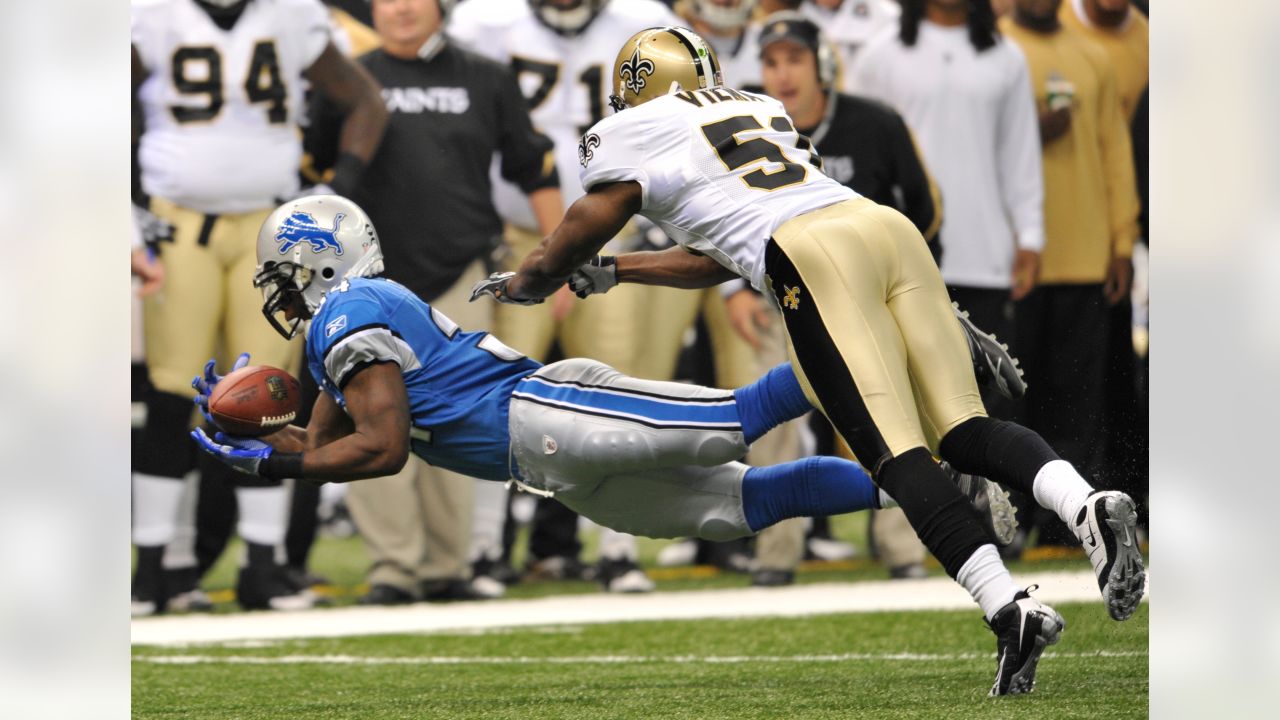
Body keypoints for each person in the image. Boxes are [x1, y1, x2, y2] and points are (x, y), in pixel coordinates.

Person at [476, 26, 1145, 695]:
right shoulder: (755, 108)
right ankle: (1086, 504)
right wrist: (621, 271)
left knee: (896, 454)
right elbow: (724, 244)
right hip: (883, 231)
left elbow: (588, 218)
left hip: (812, 256)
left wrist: (532, 278)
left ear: (635, 87)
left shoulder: (640, 125)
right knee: (963, 431)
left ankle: (1009, 609)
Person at [190, 195, 1010, 597]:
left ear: (321, 261)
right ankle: (937, 490)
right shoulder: (346, 323)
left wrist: (277, 472)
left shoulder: (349, 314)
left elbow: (382, 449)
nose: (278, 292)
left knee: (727, 423)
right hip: (549, 465)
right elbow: (336, 442)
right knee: (742, 502)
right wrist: (263, 439)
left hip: (549, 414)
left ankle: (900, 335)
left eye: (283, 272)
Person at [130, 0, 387, 614]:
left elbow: (367, 103)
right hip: (175, 222)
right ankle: (153, 570)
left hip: (271, 230)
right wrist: (126, 207)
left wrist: (335, 190)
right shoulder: (150, 13)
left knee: (267, 396)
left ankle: (263, 567)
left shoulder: (291, 13)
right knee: (172, 396)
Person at [303, 0, 563, 604]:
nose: (400, 8)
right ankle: (393, 567)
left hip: (457, 274)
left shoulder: (486, 75)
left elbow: (533, 164)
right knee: (369, 420)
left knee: (455, 419)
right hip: (363, 287)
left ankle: (450, 563)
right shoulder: (348, 78)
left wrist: (556, 264)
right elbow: (316, 172)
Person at [448, 0, 687, 593]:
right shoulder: (484, 22)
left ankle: (618, 549)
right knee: (495, 397)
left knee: (616, 392)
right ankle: (484, 548)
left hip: (611, 234)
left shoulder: (643, 22)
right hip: (514, 236)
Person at [759, 11, 958, 580]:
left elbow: (925, 209)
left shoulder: (875, 123)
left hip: (863, 302)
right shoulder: (749, 133)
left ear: (822, 64)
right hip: (782, 299)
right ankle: (776, 554)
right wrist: (735, 291)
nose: (783, 75)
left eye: (794, 59)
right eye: (771, 63)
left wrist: (905, 289)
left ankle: (905, 547)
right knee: (772, 424)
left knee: (894, 415)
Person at [850, 0, 1044, 427]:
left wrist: (1030, 236)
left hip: (987, 258)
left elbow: (1020, 153)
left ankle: (1002, 494)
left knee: (993, 398)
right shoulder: (879, 55)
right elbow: (861, 156)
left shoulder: (1006, 57)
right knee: (910, 398)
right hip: (902, 257)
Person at [999, 0, 1141, 546]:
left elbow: (1115, 153)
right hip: (1013, 259)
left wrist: (1122, 240)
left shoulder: (1093, 56)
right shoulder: (998, 49)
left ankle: (1070, 530)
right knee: (1012, 402)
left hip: (1084, 255)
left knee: (1080, 403)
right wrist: (1031, 129)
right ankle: (1012, 522)